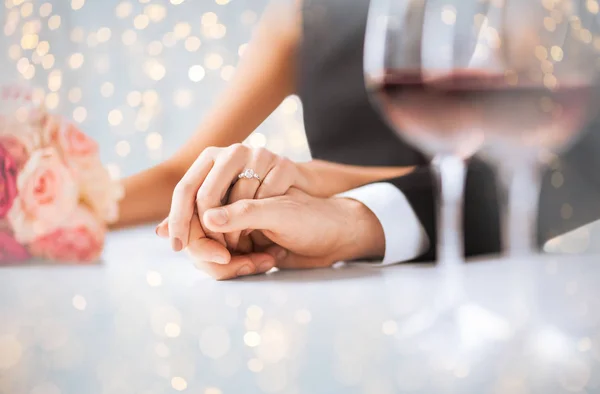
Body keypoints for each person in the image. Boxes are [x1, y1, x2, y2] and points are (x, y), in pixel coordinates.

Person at [123, 0, 600, 280]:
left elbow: (557, 170)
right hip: (342, 291)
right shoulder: (305, 13)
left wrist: (329, 189)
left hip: (495, 280)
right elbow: (175, 174)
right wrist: (72, 204)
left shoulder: (530, 13)